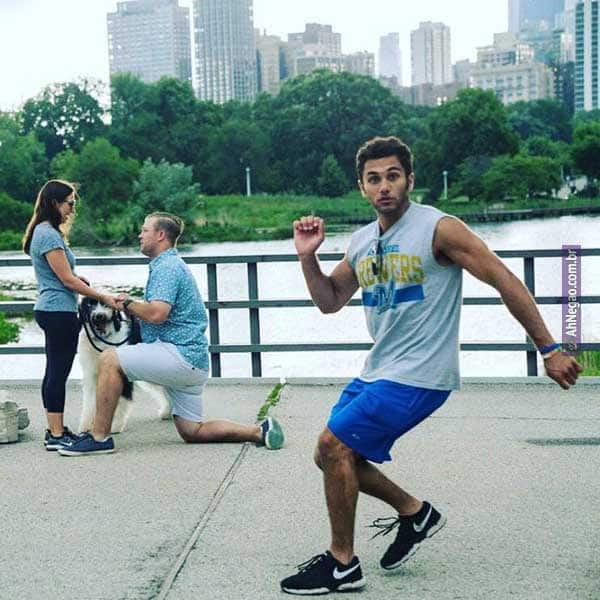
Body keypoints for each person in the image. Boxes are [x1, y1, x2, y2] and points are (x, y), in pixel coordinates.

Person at [280, 136, 582, 595]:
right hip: (379, 369)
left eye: (393, 176)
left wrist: (549, 349)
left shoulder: (439, 229)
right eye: (374, 179)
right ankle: (415, 513)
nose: (384, 187)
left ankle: (342, 564)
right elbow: (330, 300)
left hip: (421, 372)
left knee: (333, 443)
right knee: (330, 456)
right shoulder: (362, 241)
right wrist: (308, 258)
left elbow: (504, 279)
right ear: (362, 187)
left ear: (410, 179)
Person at [59, 211, 284, 456]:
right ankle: (259, 431)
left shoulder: (167, 267)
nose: (140, 235)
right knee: (192, 431)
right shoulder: (171, 265)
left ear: (160, 235)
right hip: (193, 362)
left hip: (177, 355)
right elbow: (159, 312)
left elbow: (157, 313)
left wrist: (127, 304)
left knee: (109, 359)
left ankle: (98, 437)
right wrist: (133, 305)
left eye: (145, 230)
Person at [22, 179, 119, 451]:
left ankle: (55, 429)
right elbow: (66, 280)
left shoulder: (43, 231)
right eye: (69, 204)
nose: (72, 210)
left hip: (52, 308)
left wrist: (77, 279)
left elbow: (62, 275)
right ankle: (56, 433)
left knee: (53, 371)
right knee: (58, 373)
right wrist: (102, 296)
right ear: (54, 203)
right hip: (58, 311)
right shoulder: (49, 234)